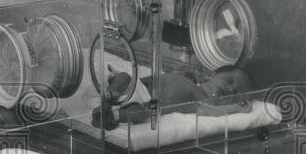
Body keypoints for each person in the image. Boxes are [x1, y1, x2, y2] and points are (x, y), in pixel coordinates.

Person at [95, 65, 254, 130]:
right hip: (138, 86)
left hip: (145, 103)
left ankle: (114, 115)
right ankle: (109, 97)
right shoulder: (189, 80)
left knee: (141, 113)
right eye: (230, 81)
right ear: (212, 74)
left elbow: (206, 110)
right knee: (124, 76)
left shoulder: (201, 99)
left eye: (235, 94)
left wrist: (234, 108)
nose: (229, 89)